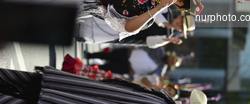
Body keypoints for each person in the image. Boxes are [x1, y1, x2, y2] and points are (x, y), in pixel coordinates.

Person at [0, 66, 177, 104]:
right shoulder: (161, 100)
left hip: (79, 90)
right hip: (79, 94)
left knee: (23, 82)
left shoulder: (162, 99)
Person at [85, 47, 181, 78]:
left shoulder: (160, 71)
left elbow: (147, 76)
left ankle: (89, 67)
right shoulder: (160, 50)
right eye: (172, 59)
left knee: (107, 68)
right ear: (171, 56)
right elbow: (146, 45)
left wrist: (134, 75)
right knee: (107, 55)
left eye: (172, 62)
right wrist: (135, 46)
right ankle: (90, 55)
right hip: (129, 53)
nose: (170, 60)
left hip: (128, 68)